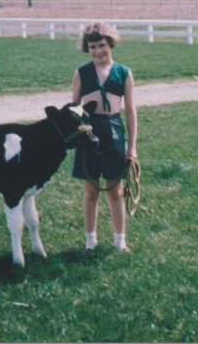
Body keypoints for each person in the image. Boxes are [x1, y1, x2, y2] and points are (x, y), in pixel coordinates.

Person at [71, 22, 138, 252]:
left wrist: (133, 146)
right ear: (87, 49)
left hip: (113, 131)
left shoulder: (124, 72)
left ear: (110, 44)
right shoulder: (81, 73)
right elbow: (75, 109)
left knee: (116, 190)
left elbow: (130, 111)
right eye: (92, 47)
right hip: (89, 132)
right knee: (90, 190)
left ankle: (120, 241)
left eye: (101, 45)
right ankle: (91, 240)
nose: (98, 51)